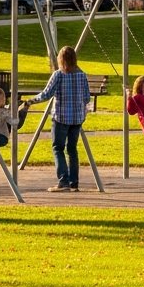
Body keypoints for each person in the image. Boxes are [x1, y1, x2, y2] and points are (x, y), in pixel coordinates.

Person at [23, 45, 91, 192]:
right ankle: (74, 182)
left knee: (58, 148)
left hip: (61, 117)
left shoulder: (59, 75)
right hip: (77, 118)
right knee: (72, 150)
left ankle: (63, 181)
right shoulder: (82, 75)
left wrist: (30, 101)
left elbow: (46, 94)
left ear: (61, 59)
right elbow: (87, 98)